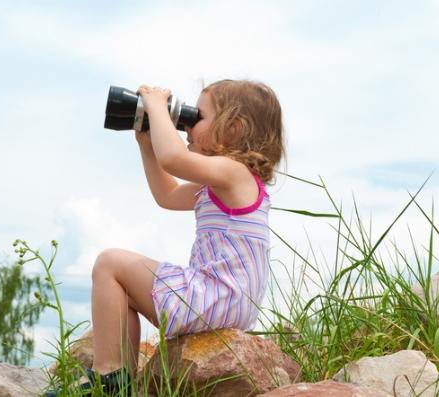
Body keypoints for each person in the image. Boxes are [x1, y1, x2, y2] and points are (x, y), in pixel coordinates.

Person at [43, 79, 285, 396]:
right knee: (121, 291)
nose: (186, 127)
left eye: (197, 117)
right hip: (227, 302)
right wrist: (146, 144)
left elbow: (173, 159)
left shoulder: (234, 173)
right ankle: (118, 377)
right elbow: (167, 195)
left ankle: (108, 380)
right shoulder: (225, 183)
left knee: (109, 263)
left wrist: (157, 107)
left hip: (213, 295)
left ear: (233, 130)